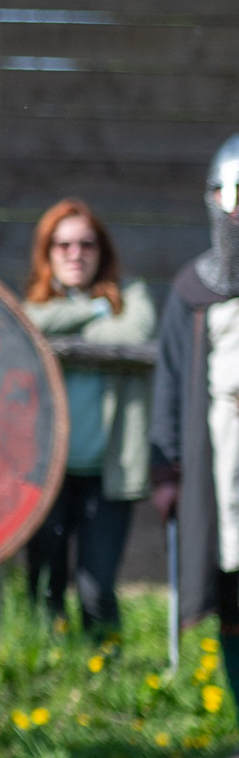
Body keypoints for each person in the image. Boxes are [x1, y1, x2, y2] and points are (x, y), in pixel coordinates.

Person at [20, 200, 153, 640]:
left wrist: (71, 330)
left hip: (107, 474)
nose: (75, 254)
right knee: (45, 584)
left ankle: (105, 676)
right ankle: (44, 674)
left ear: (102, 250)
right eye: (63, 245)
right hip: (48, 473)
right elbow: (29, 324)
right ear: (48, 253)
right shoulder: (35, 304)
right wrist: (94, 311)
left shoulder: (131, 294)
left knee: (97, 587)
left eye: (85, 244)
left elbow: (134, 333)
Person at [150, 134, 239, 710]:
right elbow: (172, 385)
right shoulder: (194, 289)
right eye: (232, 194)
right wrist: (168, 469)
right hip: (221, 456)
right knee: (231, 591)